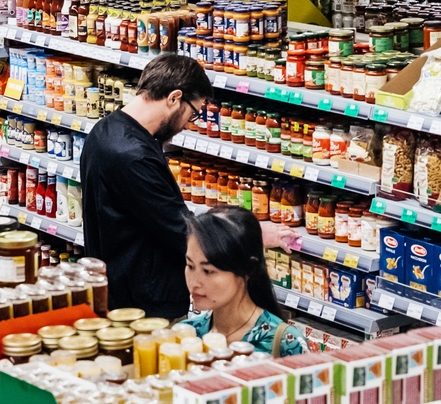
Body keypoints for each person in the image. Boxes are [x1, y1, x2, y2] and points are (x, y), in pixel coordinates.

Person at [79, 53, 211, 320]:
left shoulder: (105, 130)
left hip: (117, 290)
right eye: (193, 113)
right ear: (175, 98)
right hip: (144, 308)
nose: (187, 125)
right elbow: (181, 230)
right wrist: (246, 232)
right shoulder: (132, 156)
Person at [181, 205, 307, 356]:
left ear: (248, 269)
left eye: (208, 271)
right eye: (190, 266)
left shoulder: (286, 343)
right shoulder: (187, 336)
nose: (194, 282)